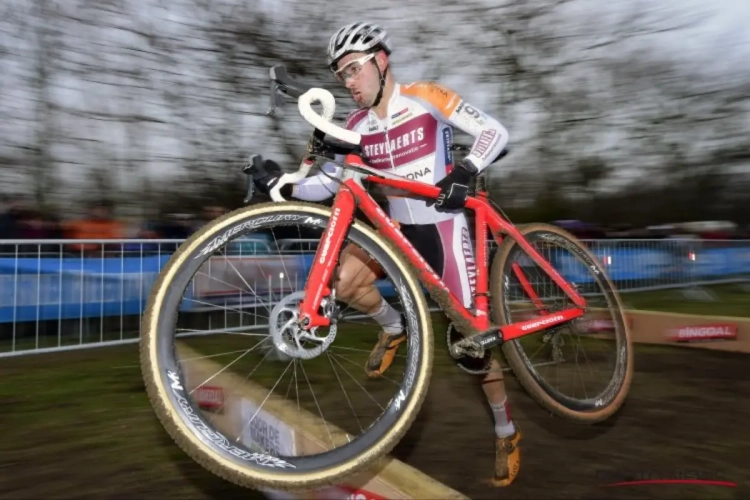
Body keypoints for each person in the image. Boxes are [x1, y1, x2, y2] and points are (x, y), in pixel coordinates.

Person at [252, 22, 520, 487]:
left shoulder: (425, 96)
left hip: (443, 228)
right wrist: (284, 185)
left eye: (354, 69)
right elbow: (327, 185)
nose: (348, 82)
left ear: (381, 61)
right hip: (395, 229)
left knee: (474, 348)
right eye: (341, 75)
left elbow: (494, 131)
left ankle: (505, 429)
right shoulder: (355, 127)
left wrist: (467, 168)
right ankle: (395, 327)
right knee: (342, 283)